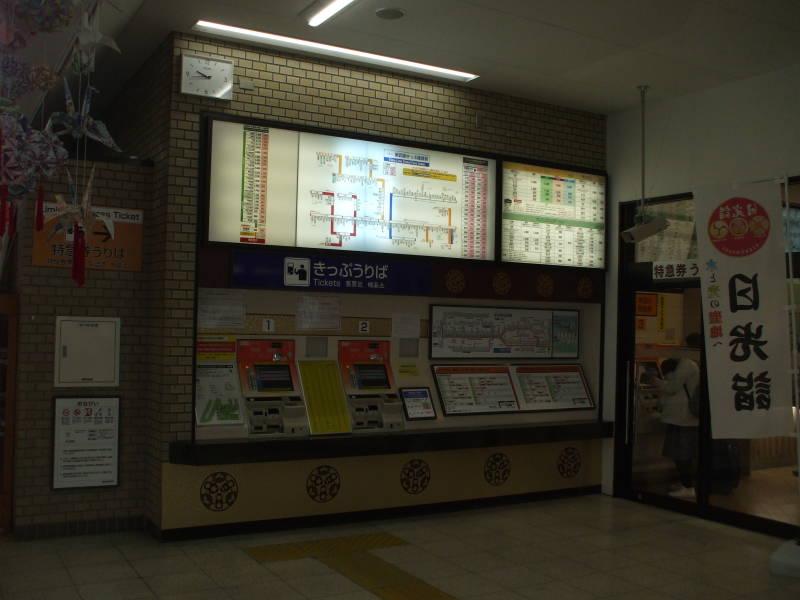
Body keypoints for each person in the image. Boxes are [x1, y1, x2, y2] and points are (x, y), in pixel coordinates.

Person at [649, 340, 701, 499]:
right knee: (680, 453)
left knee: (681, 453)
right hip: (682, 417)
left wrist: (654, 380)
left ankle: (688, 486)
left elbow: (672, 388)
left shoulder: (686, 365)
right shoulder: (689, 365)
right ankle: (686, 483)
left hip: (683, 418)